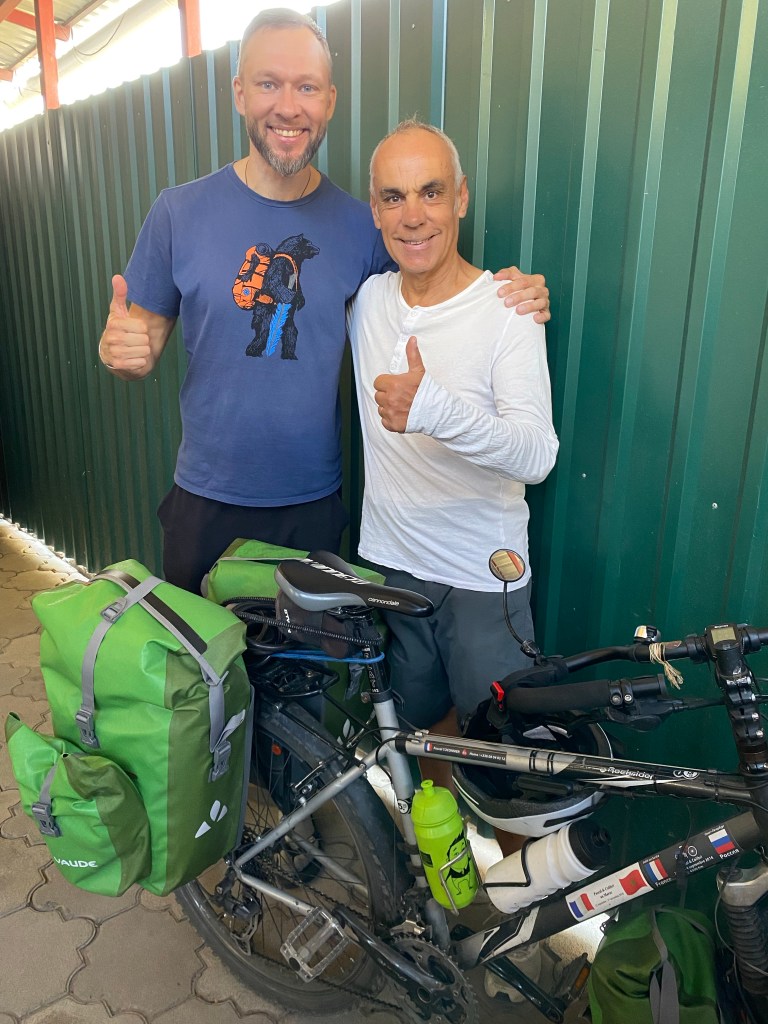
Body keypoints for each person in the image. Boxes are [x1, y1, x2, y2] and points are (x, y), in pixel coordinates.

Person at [98, 8, 550, 594]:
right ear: (239, 93)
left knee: (308, 656)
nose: (288, 107)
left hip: (311, 508)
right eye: (269, 83)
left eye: (307, 87)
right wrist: (120, 355)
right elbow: (138, 343)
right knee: (205, 657)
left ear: (330, 100)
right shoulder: (177, 213)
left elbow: (431, 282)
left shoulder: (364, 226)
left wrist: (510, 292)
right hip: (204, 504)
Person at [349, 119, 559, 787]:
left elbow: (537, 455)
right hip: (394, 566)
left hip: (481, 580)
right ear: (375, 209)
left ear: (461, 197)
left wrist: (435, 410)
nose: (413, 216)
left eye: (431, 192)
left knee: (507, 765)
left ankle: (515, 860)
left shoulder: (508, 309)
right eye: (394, 197)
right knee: (421, 736)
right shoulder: (367, 300)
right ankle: (448, 852)